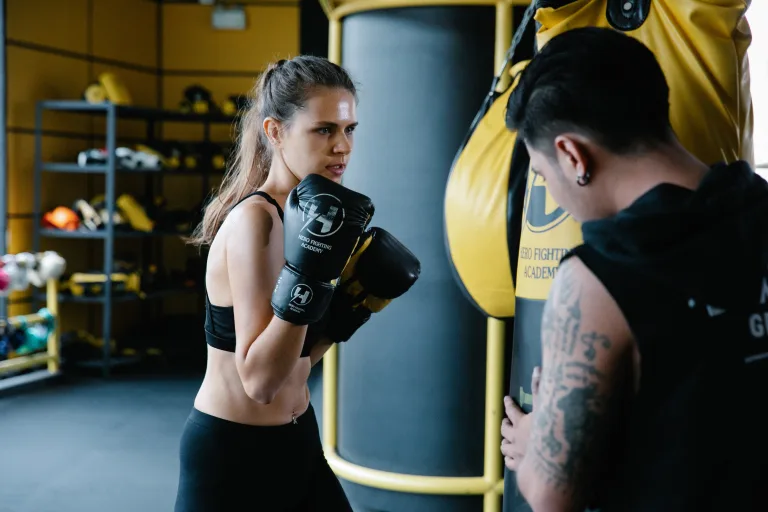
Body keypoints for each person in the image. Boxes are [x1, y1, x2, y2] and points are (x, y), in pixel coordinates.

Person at [498, 27, 768, 511]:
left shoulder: (597, 279)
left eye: (543, 175)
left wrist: (536, 439)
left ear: (571, 155)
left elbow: (550, 496)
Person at [175, 56, 420, 512]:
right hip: (235, 456)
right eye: (324, 130)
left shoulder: (313, 222)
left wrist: (348, 312)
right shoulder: (256, 221)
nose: (342, 146)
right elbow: (261, 381)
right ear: (275, 132)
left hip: (297, 439)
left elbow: (294, 365)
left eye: (349, 130)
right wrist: (312, 279)